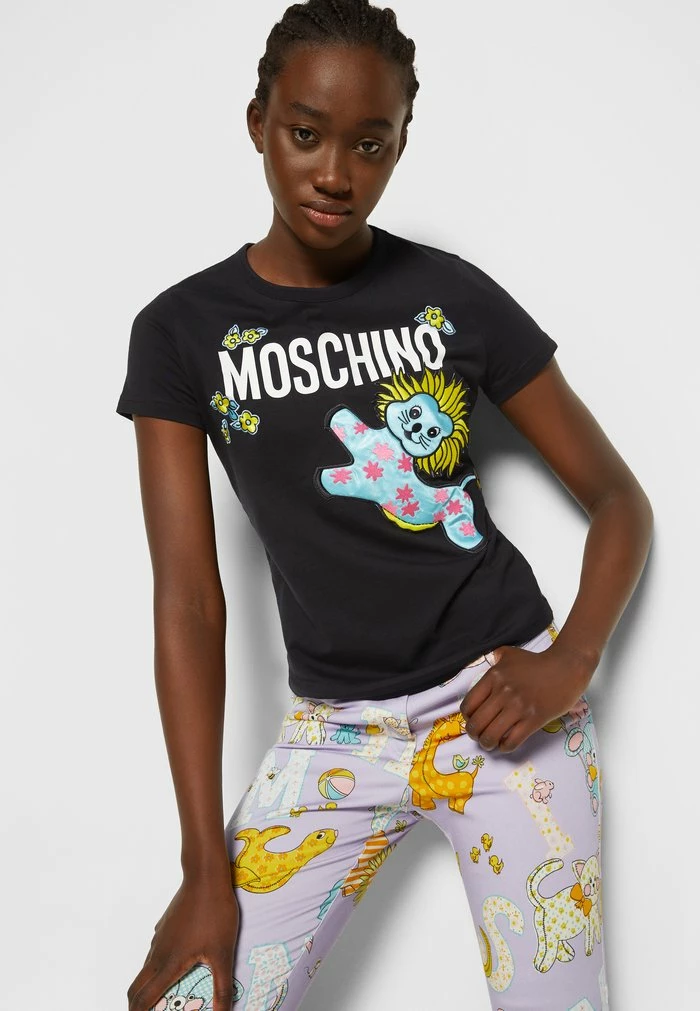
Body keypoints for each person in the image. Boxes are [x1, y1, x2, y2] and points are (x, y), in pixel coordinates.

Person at [117, 2, 652, 1009]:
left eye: (370, 144)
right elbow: (187, 600)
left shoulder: (451, 297)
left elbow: (619, 498)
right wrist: (202, 868)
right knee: (187, 997)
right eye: (305, 133)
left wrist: (571, 661)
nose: (335, 173)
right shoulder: (183, 333)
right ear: (258, 123)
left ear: (401, 144)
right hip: (335, 733)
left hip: (503, 711)